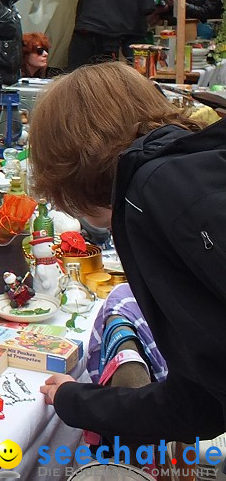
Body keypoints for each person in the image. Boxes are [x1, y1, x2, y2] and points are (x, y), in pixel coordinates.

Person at [30, 62, 225, 445]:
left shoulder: (151, 192)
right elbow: (202, 401)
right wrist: (78, 400)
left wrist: (78, 400)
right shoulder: (198, 165)